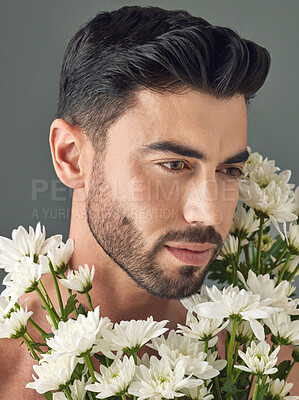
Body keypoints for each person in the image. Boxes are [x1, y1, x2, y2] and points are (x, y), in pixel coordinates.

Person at [0, 5, 297, 398]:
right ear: (71, 156)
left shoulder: (272, 377)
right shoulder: (9, 378)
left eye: (229, 171)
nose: (209, 213)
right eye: (174, 165)